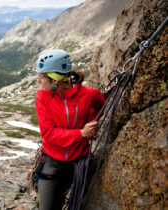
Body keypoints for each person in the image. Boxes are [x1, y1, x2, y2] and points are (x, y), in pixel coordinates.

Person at [35, 49, 106, 209]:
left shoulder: (88, 95)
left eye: (41, 77)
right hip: (52, 161)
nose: (39, 81)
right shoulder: (42, 97)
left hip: (77, 161)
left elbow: (102, 106)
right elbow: (49, 134)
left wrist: (91, 124)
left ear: (55, 80)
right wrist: (82, 133)